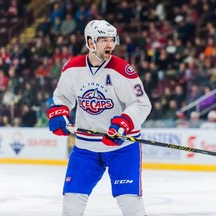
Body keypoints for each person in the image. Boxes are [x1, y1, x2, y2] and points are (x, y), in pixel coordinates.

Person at [46, 20, 152, 216]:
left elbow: (141, 104)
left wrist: (123, 124)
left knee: (130, 203)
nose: (109, 44)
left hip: (122, 147)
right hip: (86, 148)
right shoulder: (72, 68)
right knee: (71, 204)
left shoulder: (122, 70)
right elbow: (62, 97)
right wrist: (59, 112)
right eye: (103, 39)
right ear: (90, 42)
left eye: (112, 39)